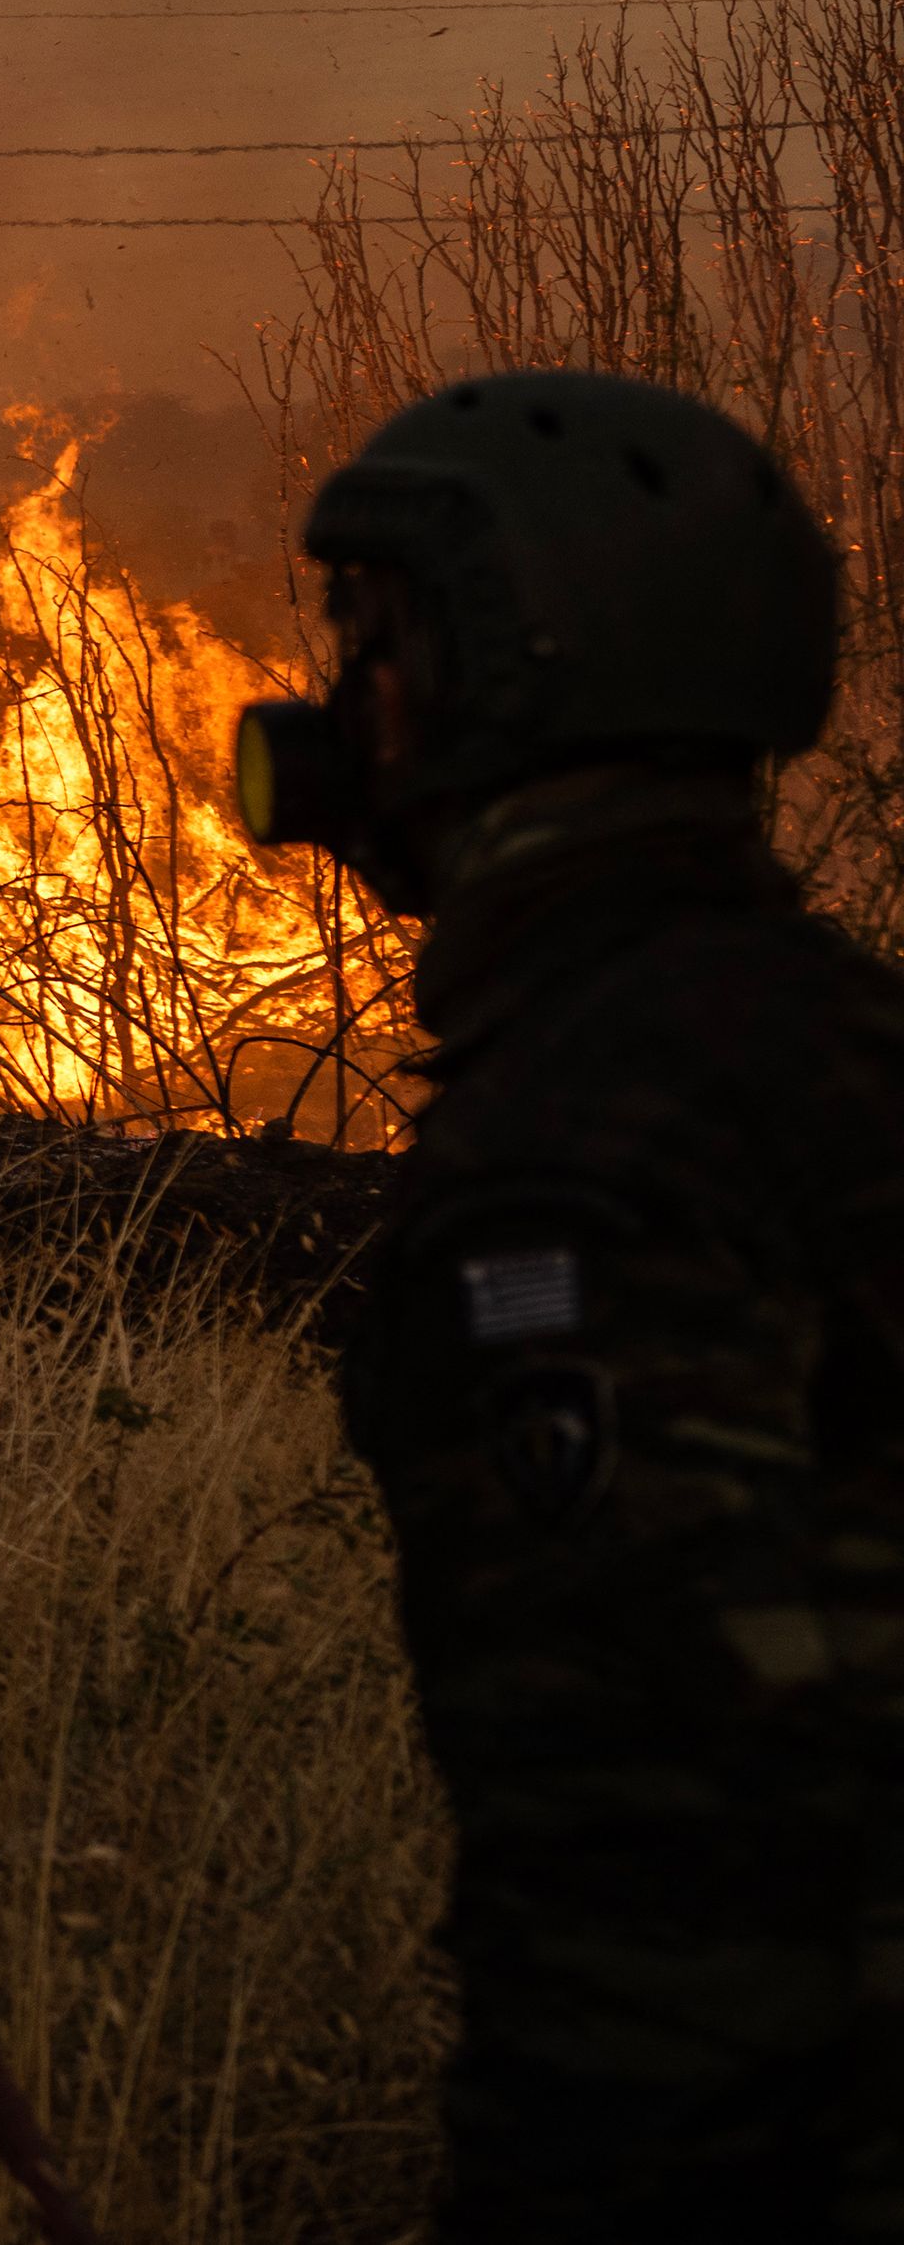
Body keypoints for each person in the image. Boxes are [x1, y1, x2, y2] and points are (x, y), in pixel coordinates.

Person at [232, 370, 904, 2239]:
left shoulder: (576, 1150)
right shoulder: (827, 1036)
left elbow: (648, 1852)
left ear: (510, 678)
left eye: (375, 648)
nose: (341, 707)